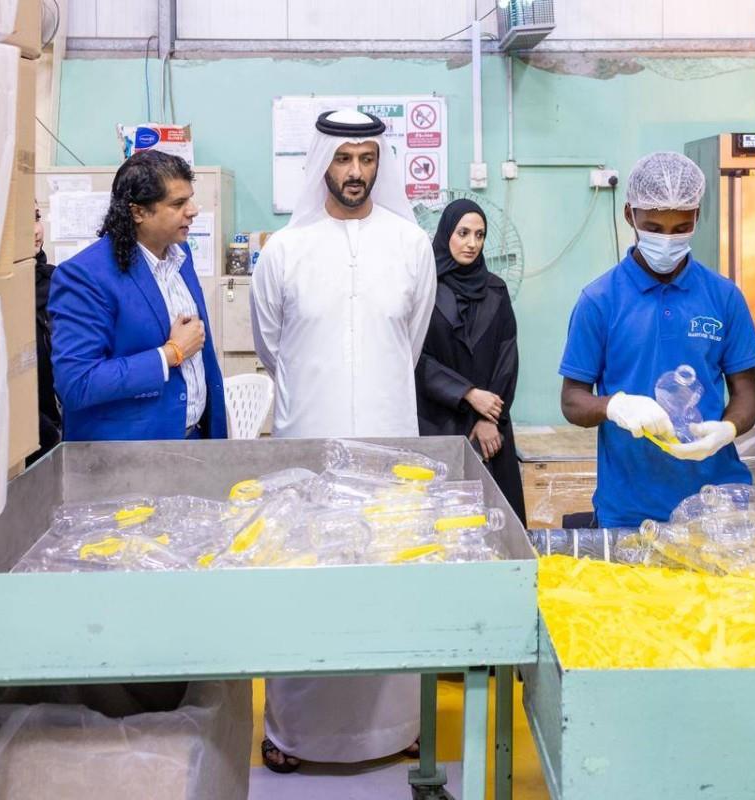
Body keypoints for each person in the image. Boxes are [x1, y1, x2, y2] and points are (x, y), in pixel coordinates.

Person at [250, 109, 436, 773]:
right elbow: (272, 349)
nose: (355, 172)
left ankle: (397, 726)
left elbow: (410, 342)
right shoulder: (284, 251)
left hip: (390, 450)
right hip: (308, 448)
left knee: (391, 576)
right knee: (306, 581)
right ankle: (293, 732)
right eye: (343, 158)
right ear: (321, 162)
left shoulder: (411, 244)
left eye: (367, 158)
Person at [558, 151, 755, 528]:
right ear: (629, 215)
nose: (667, 241)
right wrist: (614, 406)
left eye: (680, 228)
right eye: (653, 227)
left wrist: (727, 429)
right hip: (630, 509)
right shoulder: (600, 301)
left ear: (697, 216)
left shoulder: (724, 297)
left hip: (716, 502)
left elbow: (747, 392)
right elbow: (572, 400)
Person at [48, 150, 226, 442]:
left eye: (190, 199)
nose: (193, 210)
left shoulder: (180, 254)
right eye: (178, 203)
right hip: (128, 455)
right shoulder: (85, 276)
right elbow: (77, 383)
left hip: (192, 441)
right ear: (138, 212)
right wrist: (170, 354)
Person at [416, 199, 526, 524]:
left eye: (479, 235)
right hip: (437, 422)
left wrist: (490, 417)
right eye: (463, 233)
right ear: (445, 234)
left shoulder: (496, 290)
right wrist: (467, 393)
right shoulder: (424, 289)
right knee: (441, 523)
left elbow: (507, 357)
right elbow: (415, 357)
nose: (472, 243)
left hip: (489, 428)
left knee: (496, 523)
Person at [27, 203, 61, 464]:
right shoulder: (6, 296)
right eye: (24, 221)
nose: (36, 230)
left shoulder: (56, 282)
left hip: (59, 436)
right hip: (28, 440)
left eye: (36, 217)